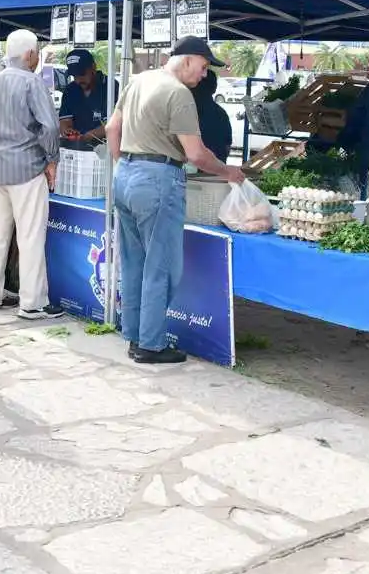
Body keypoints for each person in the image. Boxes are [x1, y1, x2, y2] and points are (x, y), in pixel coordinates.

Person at [105, 37, 245, 364]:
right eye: (204, 66)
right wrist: (228, 172)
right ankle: (150, 345)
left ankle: (135, 334)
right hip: (158, 180)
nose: (203, 74)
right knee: (161, 266)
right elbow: (196, 153)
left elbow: (113, 128)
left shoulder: (139, 80)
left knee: (133, 261)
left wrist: (121, 166)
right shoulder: (179, 94)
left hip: (126, 174)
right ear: (188, 59)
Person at [0, 30, 64, 320]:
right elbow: (49, 127)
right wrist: (51, 159)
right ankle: (33, 303)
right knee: (31, 237)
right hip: (27, 169)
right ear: (30, 54)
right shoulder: (32, 82)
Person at [59, 49, 117, 141]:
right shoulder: (70, 89)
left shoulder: (111, 86)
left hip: (105, 148)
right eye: (74, 76)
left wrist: (86, 137)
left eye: (81, 74)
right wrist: (67, 131)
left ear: (93, 67)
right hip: (76, 149)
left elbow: (114, 124)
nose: (78, 80)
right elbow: (64, 120)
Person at [193, 70, 233, 163]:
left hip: (191, 170)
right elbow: (227, 147)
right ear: (215, 88)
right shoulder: (221, 114)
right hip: (217, 170)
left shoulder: (185, 110)